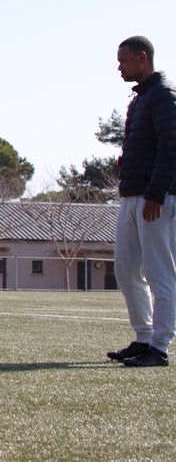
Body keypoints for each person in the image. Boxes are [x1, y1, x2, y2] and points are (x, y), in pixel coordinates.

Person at [108, 36, 175, 368]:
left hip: (155, 200)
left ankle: (159, 347)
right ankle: (143, 337)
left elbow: (171, 148)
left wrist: (156, 193)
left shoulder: (164, 96)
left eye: (124, 61)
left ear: (142, 58)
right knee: (125, 269)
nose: (119, 67)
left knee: (160, 273)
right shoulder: (140, 99)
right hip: (132, 197)